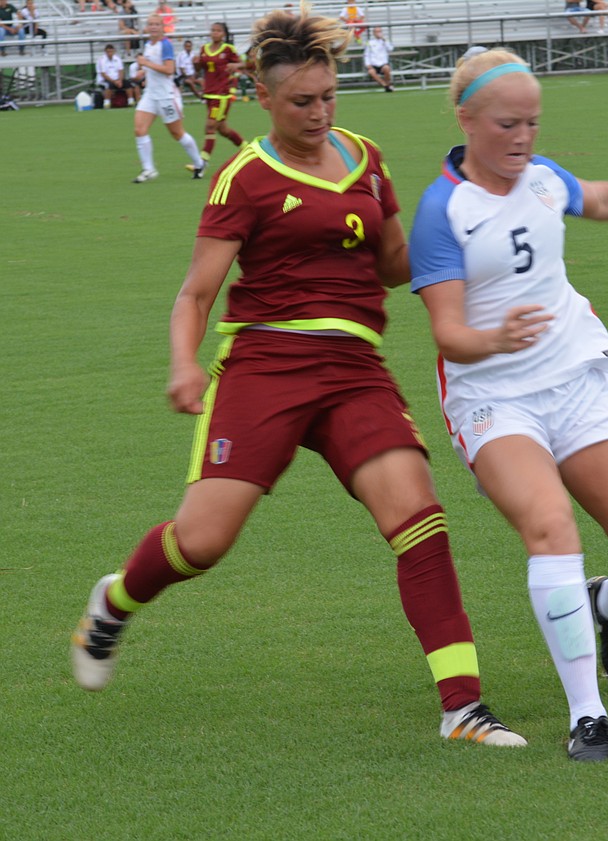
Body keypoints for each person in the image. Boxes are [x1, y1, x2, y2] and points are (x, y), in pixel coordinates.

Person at [70, 6, 525, 750]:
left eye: (328, 97)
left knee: (419, 515)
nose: (319, 113)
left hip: (353, 372)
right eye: (301, 102)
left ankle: (462, 707)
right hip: (264, 367)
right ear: (263, 97)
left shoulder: (366, 159)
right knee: (204, 540)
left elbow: (391, 264)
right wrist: (184, 363)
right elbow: (195, 293)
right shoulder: (243, 177)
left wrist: (465, 239)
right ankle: (114, 603)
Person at [408, 49, 608, 760]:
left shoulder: (544, 179)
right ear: (466, 119)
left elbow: (600, 197)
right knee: (550, 526)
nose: (523, 138)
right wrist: (495, 337)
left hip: (576, 379)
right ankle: (589, 714)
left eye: (533, 123)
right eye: (507, 124)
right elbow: (449, 335)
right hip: (494, 397)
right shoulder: (443, 211)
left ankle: (605, 609)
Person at [131, 13, 205, 182]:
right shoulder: (149, 44)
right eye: (150, 24)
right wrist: (143, 72)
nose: (153, 27)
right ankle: (149, 169)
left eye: (156, 24)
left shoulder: (166, 45)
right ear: (147, 27)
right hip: (150, 94)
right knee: (139, 130)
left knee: (177, 133)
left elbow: (169, 70)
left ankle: (199, 163)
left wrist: (146, 64)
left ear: (162, 27)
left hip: (166, 96)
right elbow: (152, 67)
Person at [192, 22, 245, 167]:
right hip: (209, 93)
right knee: (222, 129)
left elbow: (242, 65)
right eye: (213, 30)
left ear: (224, 34)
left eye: (218, 31)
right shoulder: (204, 49)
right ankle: (247, 148)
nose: (215, 33)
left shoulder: (228, 49)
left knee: (210, 126)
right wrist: (196, 63)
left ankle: (202, 162)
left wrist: (233, 83)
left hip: (222, 95)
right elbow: (199, 69)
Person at [96, 44, 134, 108]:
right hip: (105, 80)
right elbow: (103, 74)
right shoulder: (101, 60)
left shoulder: (117, 59)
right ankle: (107, 103)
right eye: (108, 52)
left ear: (114, 51)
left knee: (127, 83)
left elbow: (121, 71)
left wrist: (120, 80)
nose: (110, 53)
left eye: (111, 51)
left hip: (117, 79)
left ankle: (131, 101)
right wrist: (114, 81)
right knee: (109, 85)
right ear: (105, 52)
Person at [363, 26, 394, 92]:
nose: (378, 33)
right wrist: (367, 64)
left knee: (387, 68)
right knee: (371, 72)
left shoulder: (385, 41)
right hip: (373, 64)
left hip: (383, 63)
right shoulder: (370, 42)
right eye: (377, 32)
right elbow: (366, 54)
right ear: (374, 33)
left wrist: (384, 40)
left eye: (380, 31)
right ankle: (385, 85)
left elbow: (390, 49)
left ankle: (388, 83)